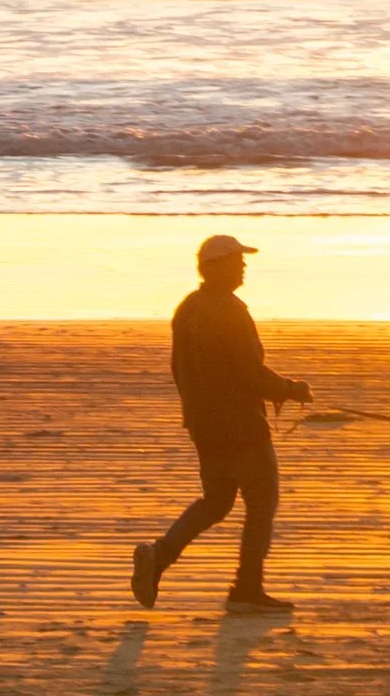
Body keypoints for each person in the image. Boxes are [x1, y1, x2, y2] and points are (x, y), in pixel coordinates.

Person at [130, 232, 312, 620]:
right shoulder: (230, 309)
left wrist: (195, 414)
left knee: (216, 502)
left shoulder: (188, 309)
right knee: (261, 505)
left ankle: (160, 556)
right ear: (217, 267)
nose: (243, 266)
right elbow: (250, 372)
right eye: (236, 260)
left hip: (204, 427)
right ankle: (246, 590)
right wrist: (290, 389)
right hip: (242, 427)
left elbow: (179, 371)